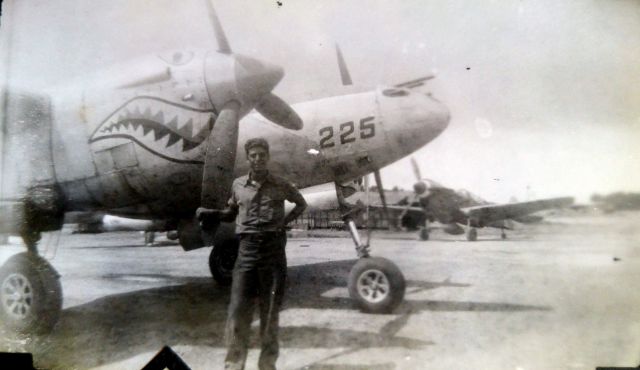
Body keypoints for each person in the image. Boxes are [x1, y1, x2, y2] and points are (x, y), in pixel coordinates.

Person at [197, 137, 307, 370]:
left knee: (269, 312)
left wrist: (283, 223)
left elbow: (301, 204)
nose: (258, 159)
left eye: (262, 155)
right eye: (253, 155)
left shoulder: (280, 184)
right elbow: (230, 212)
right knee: (238, 308)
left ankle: (267, 365)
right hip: (246, 250)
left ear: (268, 157)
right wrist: (213, 214)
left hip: (273, 250)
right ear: (248, 158)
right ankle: (234, 364)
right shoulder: (237, 185)